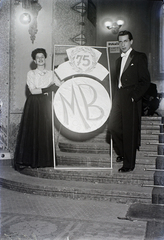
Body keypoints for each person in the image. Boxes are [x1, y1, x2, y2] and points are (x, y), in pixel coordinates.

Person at [108, 30, 150, 172]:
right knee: (113, 126)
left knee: (129, 131)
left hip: (131, 97)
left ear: (131, 41)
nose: (122, 44)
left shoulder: (139, 57)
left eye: (125, 41)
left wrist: (134, 96)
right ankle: (122, 152)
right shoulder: (118, 60)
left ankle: (129, 164)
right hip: (119, 97)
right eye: (120, 41)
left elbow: (145, 81)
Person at [14, 48, 62, 170]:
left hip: (46, 103)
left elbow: (60, 85)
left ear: (45, 59)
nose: (40, 59)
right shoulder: (31, 74)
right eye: (37, 57)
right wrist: (49, 89)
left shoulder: (51, 73)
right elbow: (33, 91)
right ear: (35, 61)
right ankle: (30, 160)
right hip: (34, 103)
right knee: (33, 130)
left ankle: (44, 160)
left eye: (42, 57)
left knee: (45, 130)